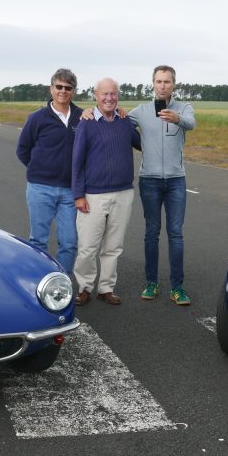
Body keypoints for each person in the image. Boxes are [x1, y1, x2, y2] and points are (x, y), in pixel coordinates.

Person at [127, 65, 196, 305]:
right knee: (151, 233)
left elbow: (191, 123)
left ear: (174, 85)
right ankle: (151, 283)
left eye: (167, 82)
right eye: (158, 81)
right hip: (150, 180)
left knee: (176, 234)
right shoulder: (142, 111)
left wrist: (176, 118)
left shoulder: (184, 108)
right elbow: (118, 119)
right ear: (153, 84)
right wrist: (89, 113)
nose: (163, 86)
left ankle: (177, 288)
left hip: (176, 180)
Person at [71, 78, 141, 306]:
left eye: (113, 94)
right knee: (88, 246)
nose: (109, 98)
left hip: (123, 193)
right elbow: (77, 161)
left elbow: (142, 143)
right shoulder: (86, 123)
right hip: (93, 195)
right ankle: (84, 287)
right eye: (105, 94)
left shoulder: (124, 121)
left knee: (113, 246)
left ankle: (106, 288)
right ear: (96, 95)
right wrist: (78, 195)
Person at [16, 68, 83, 274]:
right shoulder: (37, 118)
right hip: (40, 188)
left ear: (73, 91)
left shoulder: (83, 117)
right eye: (59, 86)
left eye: (68, 88)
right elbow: (23, 150)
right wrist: (40, 169)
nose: (63, 91)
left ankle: (60, 284)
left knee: (70, 242)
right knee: (38, 240)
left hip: (70, 191)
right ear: (51, 88)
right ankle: (38, 281)